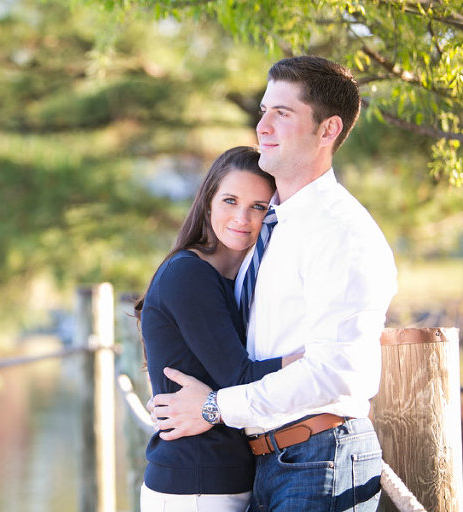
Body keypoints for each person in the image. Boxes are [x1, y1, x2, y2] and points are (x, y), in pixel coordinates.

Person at [149, 56, 398, 511]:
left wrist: (215, 408)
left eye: (282, 113)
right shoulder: (271, 226)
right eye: (264, 110)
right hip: (268, 461)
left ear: (328, 131)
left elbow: (335, 372)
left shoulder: (340, 231)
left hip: (321, 457)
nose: (262, 125)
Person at [137, 146, 303, 512]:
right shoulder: (189, 274)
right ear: (208, 201)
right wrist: (312, 360)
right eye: (230, 200)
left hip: (225, 480)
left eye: (258, 206)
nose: (242, 218)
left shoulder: (239, 281)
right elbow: (239, 377)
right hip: (195, 487)